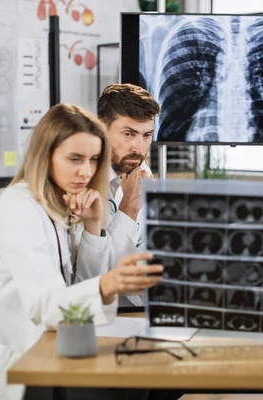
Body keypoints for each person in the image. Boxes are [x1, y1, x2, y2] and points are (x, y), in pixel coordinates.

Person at [0, 104, 164, 400]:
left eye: (93, 160)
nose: (86, 171)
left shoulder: (59, 204)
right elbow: (46, 305)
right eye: (75, 159)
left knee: (151, 381)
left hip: (47, 342)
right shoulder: (19, 209)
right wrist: (110, 283)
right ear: (46, 156)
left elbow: (80, 288)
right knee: (133, 387)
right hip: (1, 361)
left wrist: (93, 226)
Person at [97, 83, 160, 306]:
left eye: (147, 135)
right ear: (101, 128)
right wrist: (130, 207)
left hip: (138, 306)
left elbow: (145, 248)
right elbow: (96, 273)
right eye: (128, 134)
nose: (139, 148)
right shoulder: (81, 180)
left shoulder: (141, 173)